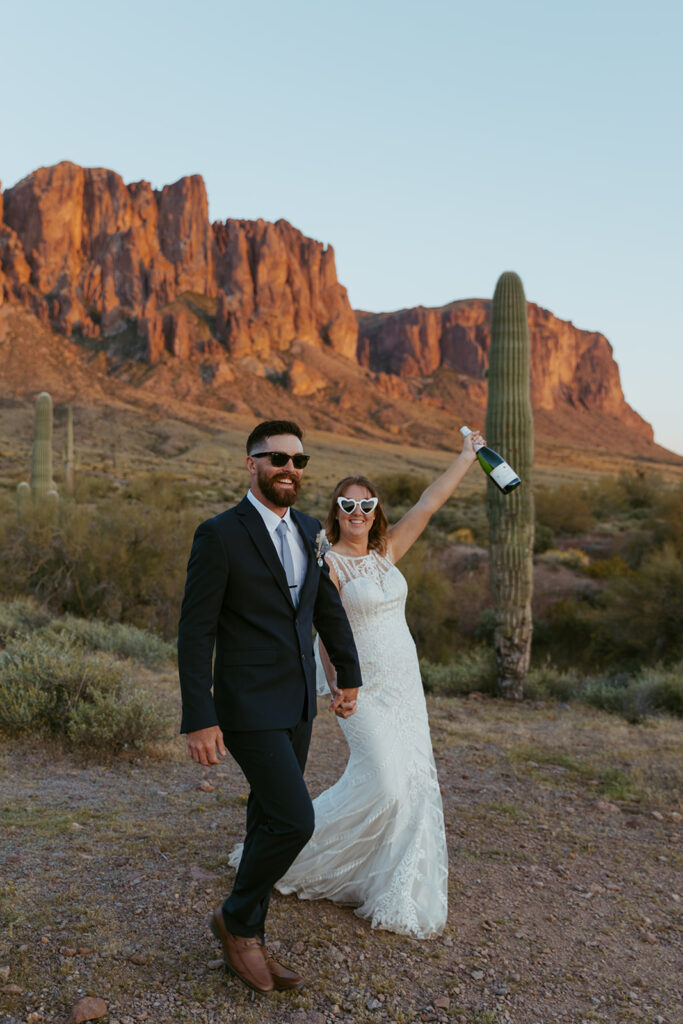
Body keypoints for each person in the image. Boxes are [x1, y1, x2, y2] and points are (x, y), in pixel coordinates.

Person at [269, 429, 484, 938]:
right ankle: (284, 848)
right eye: (348, 504)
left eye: (367, 505)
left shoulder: (386, 552)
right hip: (360, 688)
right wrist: (337, 685)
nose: (357, 512)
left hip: (405, 684)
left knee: (409, 784)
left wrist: (466, 456)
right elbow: (323, 628)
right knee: (384, 781)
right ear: (336, 510)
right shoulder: (328, 561)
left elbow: (430, 503)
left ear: (375, 511)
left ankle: (385, 878)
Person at [177, 420, 362, 995]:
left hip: (300, 700)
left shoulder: (310, 529)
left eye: (298, 461)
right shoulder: (219, 534)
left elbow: (324, 609)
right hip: (245, 704)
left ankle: (248, 930)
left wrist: (348, 675)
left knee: (266, 817)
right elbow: (194, 631)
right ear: (250, 463)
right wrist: (200, 715)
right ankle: (236, 921)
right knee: (294, 819)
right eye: (277, 458)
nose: (289, 469)